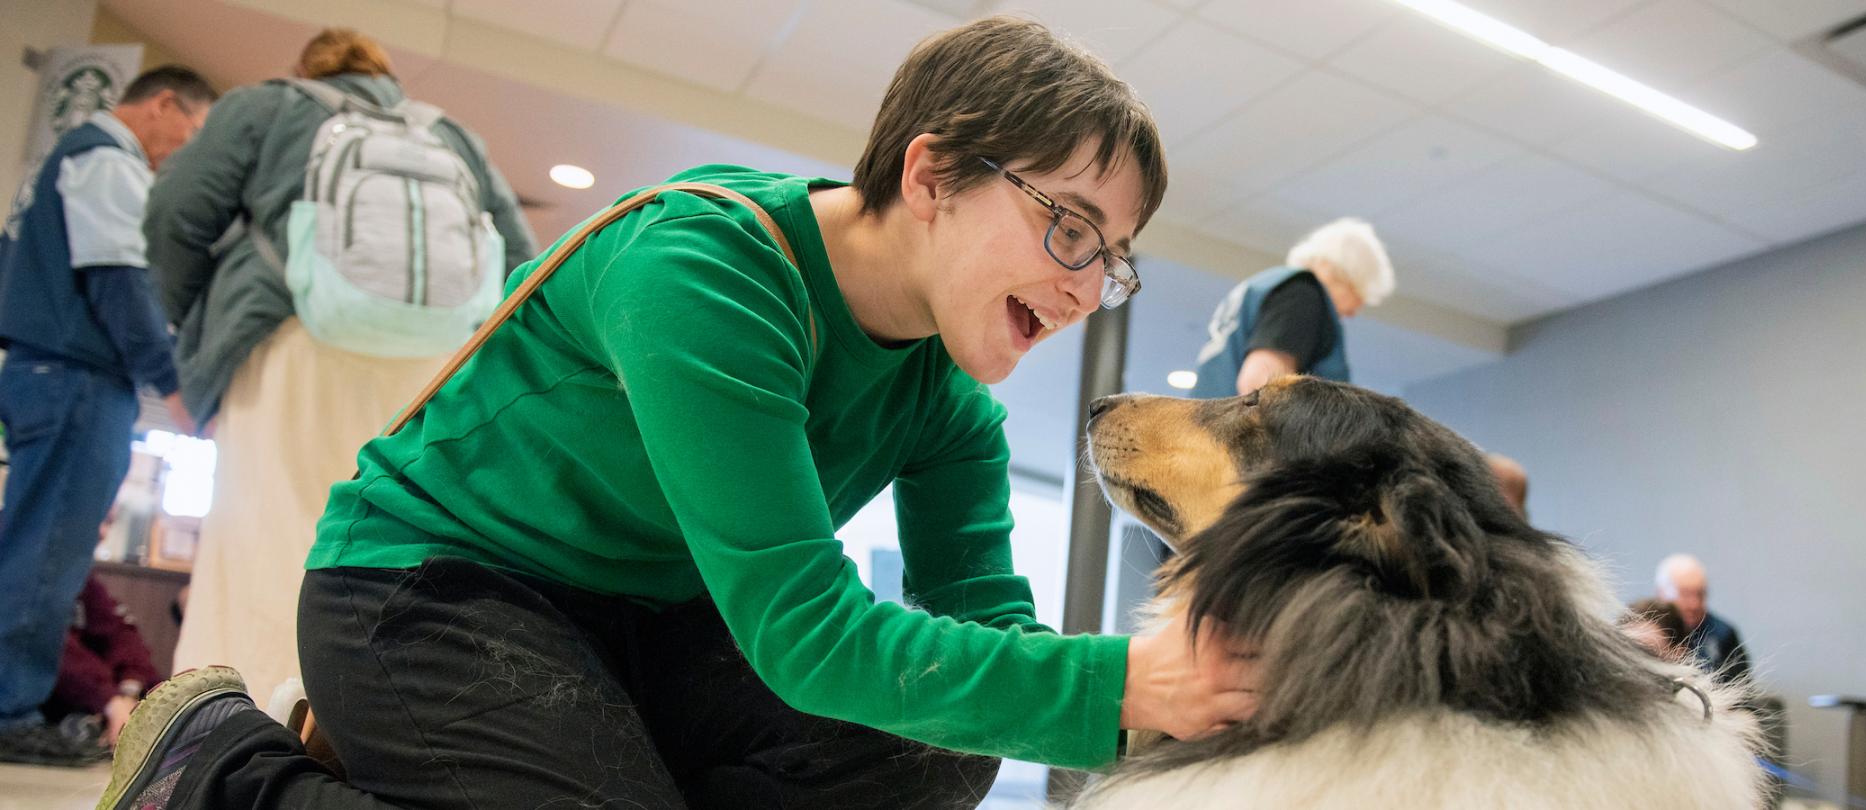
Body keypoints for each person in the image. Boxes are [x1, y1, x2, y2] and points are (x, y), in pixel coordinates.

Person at [101, 17, 1255, 810]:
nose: (1081, 283)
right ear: (930, 174)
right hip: (430, 587)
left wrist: (1148, 713)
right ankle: (218, 768)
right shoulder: (706, 268)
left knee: (934, 751)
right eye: (1068, 227)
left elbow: (993, 637)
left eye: (1111, 260)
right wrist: (1121, 686)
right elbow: (808, 633)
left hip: (643, 623)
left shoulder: (948, 400)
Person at [145, 28, 537, 706]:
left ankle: (230, 733)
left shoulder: (268, 105)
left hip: (291, 343)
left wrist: (189, 346)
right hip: (426, 367)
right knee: (384, 542)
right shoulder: (452, 136)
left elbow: (176, 214)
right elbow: (522, 264)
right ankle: (358, 726)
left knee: (265, 537)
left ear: (307, 68)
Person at [0, 65, 213, 766]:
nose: (184, 145)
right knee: (48, 552)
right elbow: (121, 279)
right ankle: (11, 709)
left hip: (42, 371)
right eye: (191, 127)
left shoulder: (59, 159)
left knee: (33, 542)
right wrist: (171, 383)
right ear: (161, 105)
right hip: (79, 380)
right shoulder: (105, 158)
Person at [1190, 217, 1394, 397]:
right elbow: (1259, 384)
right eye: (1358, 296)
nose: (1352, 313)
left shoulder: (1264, 286)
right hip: (1231, 438)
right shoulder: (1303, 295)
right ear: (1341, 275)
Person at [45, 576, 163, 748]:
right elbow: (48, 643)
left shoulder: (83, 580)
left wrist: (130, 688)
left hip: (102, 703)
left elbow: (121, 635)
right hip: (42, 715)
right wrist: (110, 700)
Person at [1653, 554, 1751, 686]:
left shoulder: (1723, 633)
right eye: (1685, 594)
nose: (1694, 604)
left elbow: (1742, 692)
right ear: (1662, 593)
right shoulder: (1646, 631)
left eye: (1700, 594)